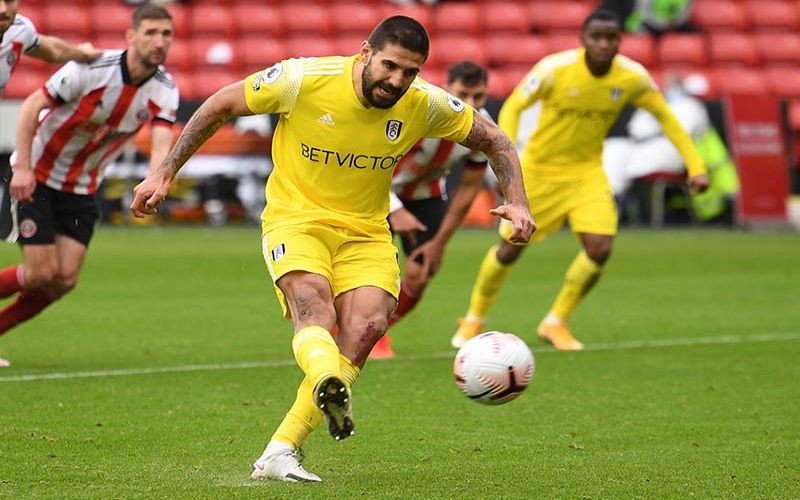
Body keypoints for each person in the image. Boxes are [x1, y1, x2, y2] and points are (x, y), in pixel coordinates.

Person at [130, 16, 535, 482]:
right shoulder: (302, 79)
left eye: (410, 72)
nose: (397, 80)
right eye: (389, 66)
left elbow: (495, 141)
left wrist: (518, 201)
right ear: (365, 52)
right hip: (296, 221)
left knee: (367, 326)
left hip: (365, 231)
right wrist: (164, 172)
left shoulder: (424, 104)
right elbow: (219, 105)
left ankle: (281, 450)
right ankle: (330, 381)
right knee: (314, 311)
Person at [452, 10, 708, 351]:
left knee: (600, 248)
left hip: (586, 174)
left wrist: (695, 166)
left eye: (610, 38)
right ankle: (474, 317)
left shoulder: (632, 77)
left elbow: (666, 118)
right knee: (510, 248)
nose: (603, 44)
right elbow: (513, 106)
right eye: (596, 37)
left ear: (620, 41)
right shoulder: (554, 69)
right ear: (583, 39)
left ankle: (556, 321)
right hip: (539, 171)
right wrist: (505, 166)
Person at [0, 4, 179, 367]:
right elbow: (33, 105)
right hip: (37, 175)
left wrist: (155, 181)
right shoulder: (92, 70)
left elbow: (161, 145)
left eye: (166, 34)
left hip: (82, 187)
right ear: (130, 36)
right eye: (150, 33)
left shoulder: (165, 91)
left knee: (64, 280)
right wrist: (23, 167)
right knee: (40, 273)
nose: (159, 42)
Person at [370, 60, 491, 359]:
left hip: (426, 195)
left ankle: (375, 333)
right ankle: (362, 333)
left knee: (422, 272)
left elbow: (469, 189)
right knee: (374, 270)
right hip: (373, 191)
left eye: (479, 97)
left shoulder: (483, 128)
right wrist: (394, 209)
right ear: (447, 88)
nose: (471, 104)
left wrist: (440, 243)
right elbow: (368, 164)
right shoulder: (421, 111)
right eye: (463, 94)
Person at [0, 0, 102, 96]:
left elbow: (54, 50)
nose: (3, 9)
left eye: (9, 0)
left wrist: (82, 53)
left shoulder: (20, 29)